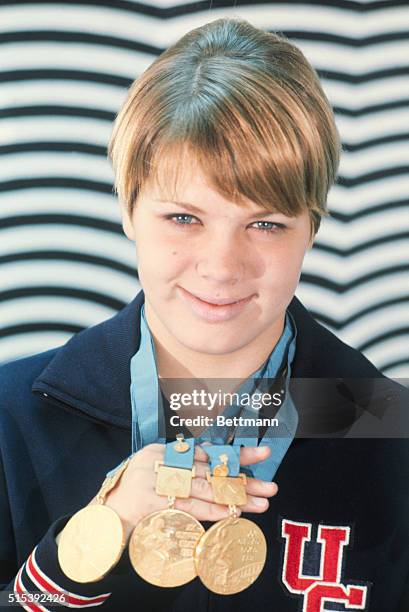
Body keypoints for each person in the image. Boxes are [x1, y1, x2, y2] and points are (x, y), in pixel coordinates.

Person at [0, 17, 408, 612]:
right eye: (184, 218)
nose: (221, 267)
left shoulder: (393, 432)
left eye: (265, 224)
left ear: (311, 230)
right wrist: (87, 546)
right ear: (128, 209)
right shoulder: (10, 417)